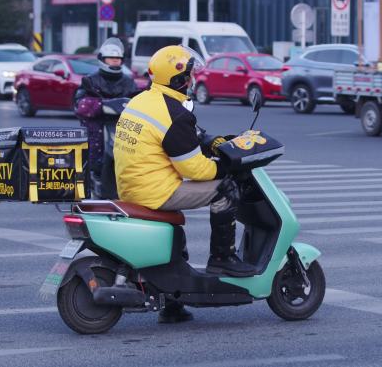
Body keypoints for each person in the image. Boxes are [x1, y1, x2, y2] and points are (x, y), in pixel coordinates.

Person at [113, 45, 256, 323]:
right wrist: (224, 167)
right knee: (224, 190)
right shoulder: (174, 113)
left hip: (131, 185)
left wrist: (213, 140)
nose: (191, 80)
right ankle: (222, 258)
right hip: (156, 190)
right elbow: (194, 168)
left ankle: (173, 301)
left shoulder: (142, 100)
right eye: (189, 75)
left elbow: (184, 134)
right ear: (178, 79)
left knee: (175, 226)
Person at [74, 37, 137, 199]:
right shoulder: (90, 81)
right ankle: (93, 185)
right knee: (95, 163)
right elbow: (80, 105)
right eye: (111, 58)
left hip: (124, 130)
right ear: (102, 59)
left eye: (118, 59)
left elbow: (138, 101)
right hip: (98, 133)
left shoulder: (129, 82)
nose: (115, 61)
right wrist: (103, 105)